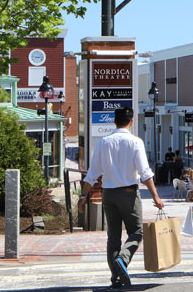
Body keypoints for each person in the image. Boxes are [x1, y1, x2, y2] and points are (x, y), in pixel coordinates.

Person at [78, 107, 164, 289]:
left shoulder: (104, 142)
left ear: (114, 121)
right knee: (137, 232)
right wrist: (156, 196)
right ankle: (123, 259)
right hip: (128, 193)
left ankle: (115, 278)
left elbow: (92, 173)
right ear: (131, 122)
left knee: (113, 237)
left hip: (108, 193)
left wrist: (84, 195)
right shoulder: (135, 142)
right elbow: (145, 172)